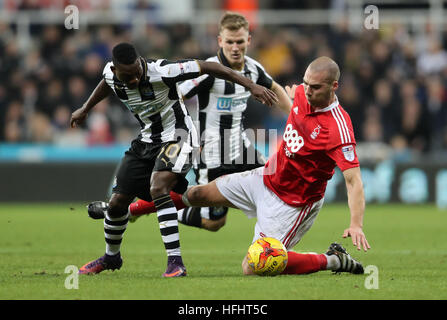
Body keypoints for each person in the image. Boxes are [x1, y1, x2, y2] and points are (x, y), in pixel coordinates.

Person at [119, 56, 371, 276]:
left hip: (292, 203)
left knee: (254, 265)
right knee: (197, 193)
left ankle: (334, 260)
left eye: (315, 87)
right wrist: (294, 93)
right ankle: (131, 211)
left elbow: (353, 180)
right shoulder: (305, 95)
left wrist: (356, 224)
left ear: (334, 86)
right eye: (305, 84)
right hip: (265, 178)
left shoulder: (338, 128)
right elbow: (294, 96)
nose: (307, 91)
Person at [70, 42, 278, 277]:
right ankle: (111, 257)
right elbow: (107, 84)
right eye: (128, 76)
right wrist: (86, 108)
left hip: (179, 135)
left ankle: (175, 263)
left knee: (159, 186)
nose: (135, 80)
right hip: (147, 139)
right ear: (117, 70)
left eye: (137, 72)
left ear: (140, 62)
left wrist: (252, 86)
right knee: (118, 202)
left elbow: (210, 66)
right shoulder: (111, 74)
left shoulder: (163, 71)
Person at [87, 12, 292, 232]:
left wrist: (295, 117)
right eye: (230, 42)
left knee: (275, 182)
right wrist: (188, 138)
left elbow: (274, 88)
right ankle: (133, 210)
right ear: (220, 41)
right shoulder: (208, 71)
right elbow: (175, 98)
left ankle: (275, 243)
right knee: (212, 220)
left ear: (248, 41)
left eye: (240, 42)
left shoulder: (253, 69)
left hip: (242, 148)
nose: (235, 47)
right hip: (211, 153)